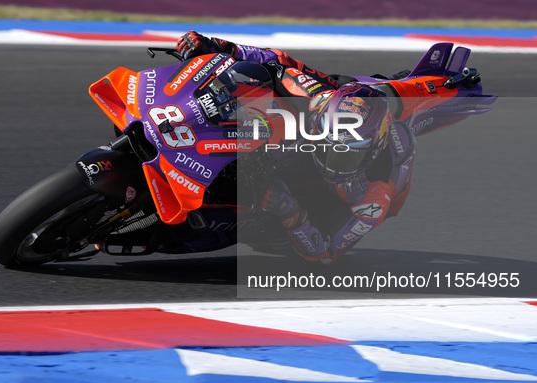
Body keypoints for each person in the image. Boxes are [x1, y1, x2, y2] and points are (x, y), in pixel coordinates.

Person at [177, 31, 415, 264]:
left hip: (307, 212)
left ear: (370, 153)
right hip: (327, 114)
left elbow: (326, 253)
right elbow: (277, 62)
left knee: (274, 233)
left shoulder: (374, 198)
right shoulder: (318, 97)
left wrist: (289, 211)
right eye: (326, 143)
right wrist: (218, 46)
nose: (331, 159)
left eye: (344, 155)